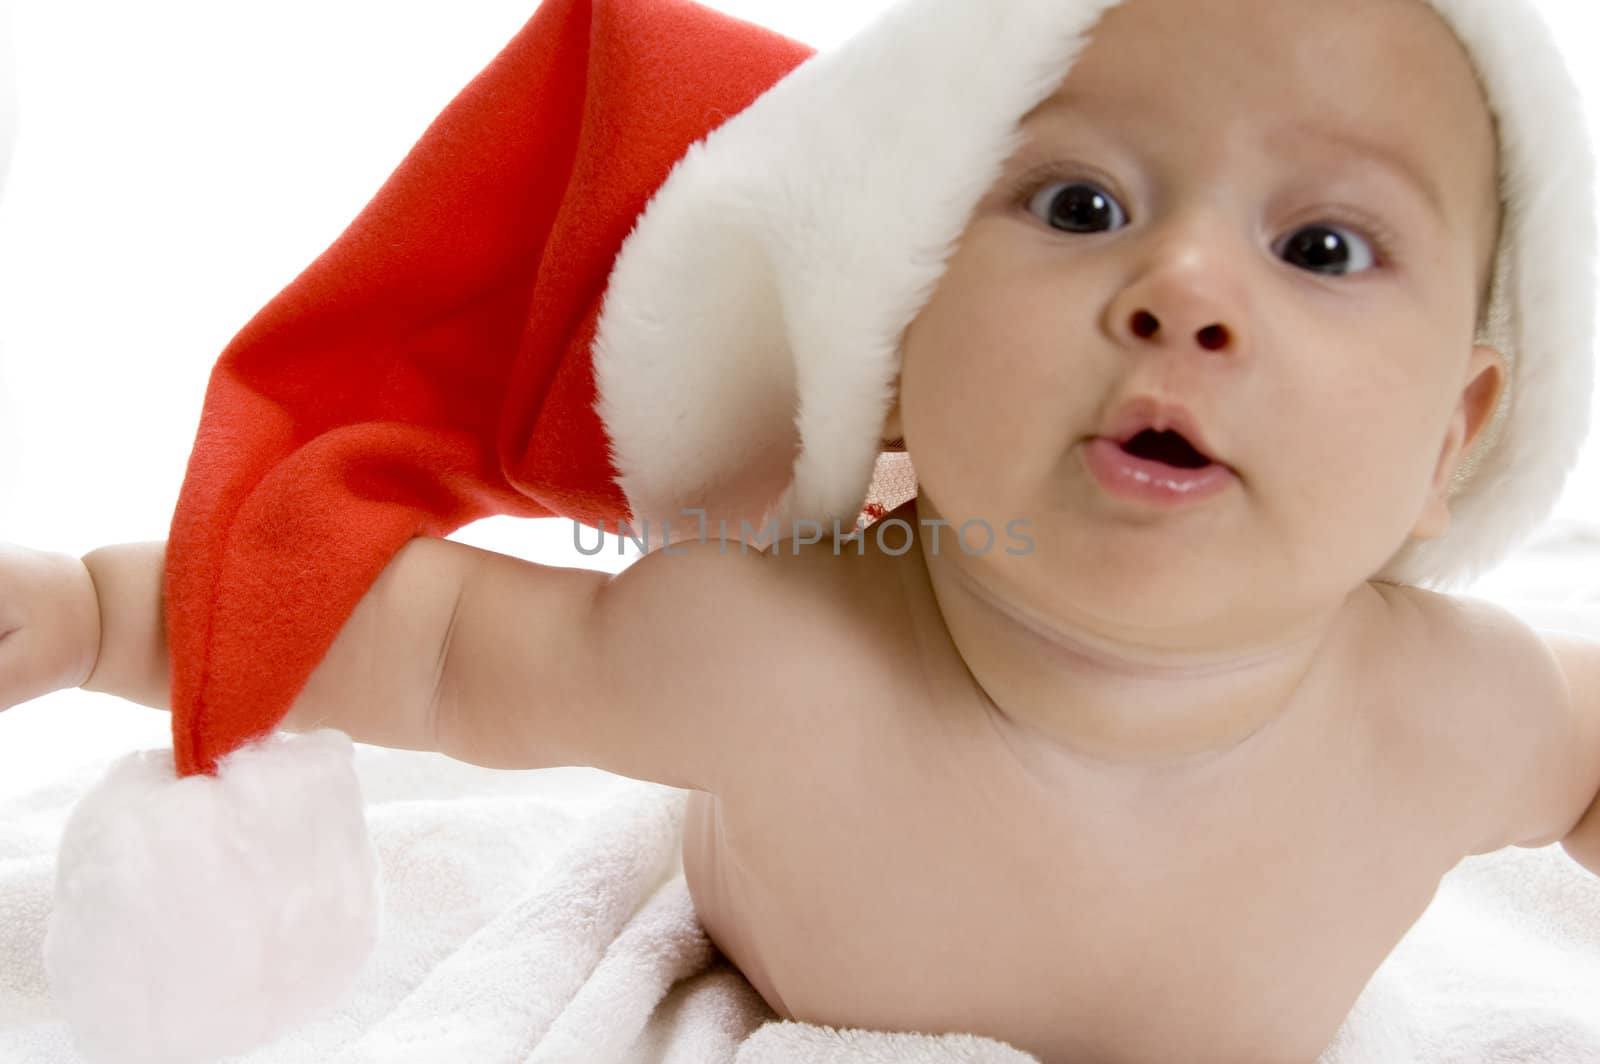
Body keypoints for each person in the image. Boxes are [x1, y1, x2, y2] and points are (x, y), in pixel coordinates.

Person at [4, 0, 1599, 1061]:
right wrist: (85, 614)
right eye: (1081, 206)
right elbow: (411, 644)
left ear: (1454, 438)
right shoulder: (774, 648)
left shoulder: (1464, 709)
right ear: (898, 339)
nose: (1184, 289)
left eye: (1321, 243)